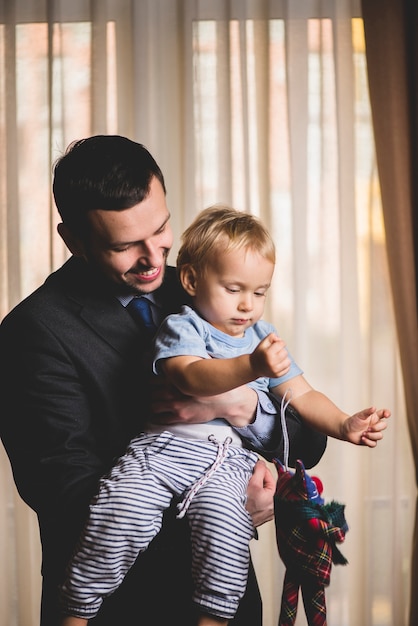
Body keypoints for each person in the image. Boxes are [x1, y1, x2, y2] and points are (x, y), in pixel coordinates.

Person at [0, 136, 329, 626]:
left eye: (161, 229)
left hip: (227, 605)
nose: (154, 257)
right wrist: (227, 509)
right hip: (118, 607)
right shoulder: (31, 331)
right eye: (124, 245)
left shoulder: (207, 283)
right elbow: (64, 494)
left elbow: (306, 434)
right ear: (73, 241)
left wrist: (241, 408)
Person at [58, 206, 390, 625]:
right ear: (193, 280)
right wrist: (251, 368)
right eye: (234, 289)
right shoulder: (185, 325)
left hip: (226, 462)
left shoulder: (262, 338)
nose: (247, 305)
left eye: (260, 292)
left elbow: (302, 395)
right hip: (162, 450)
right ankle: (77, 609)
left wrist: (344, 423)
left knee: (225, 534)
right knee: (119, 511)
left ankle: (213, 618)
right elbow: (190, 375)